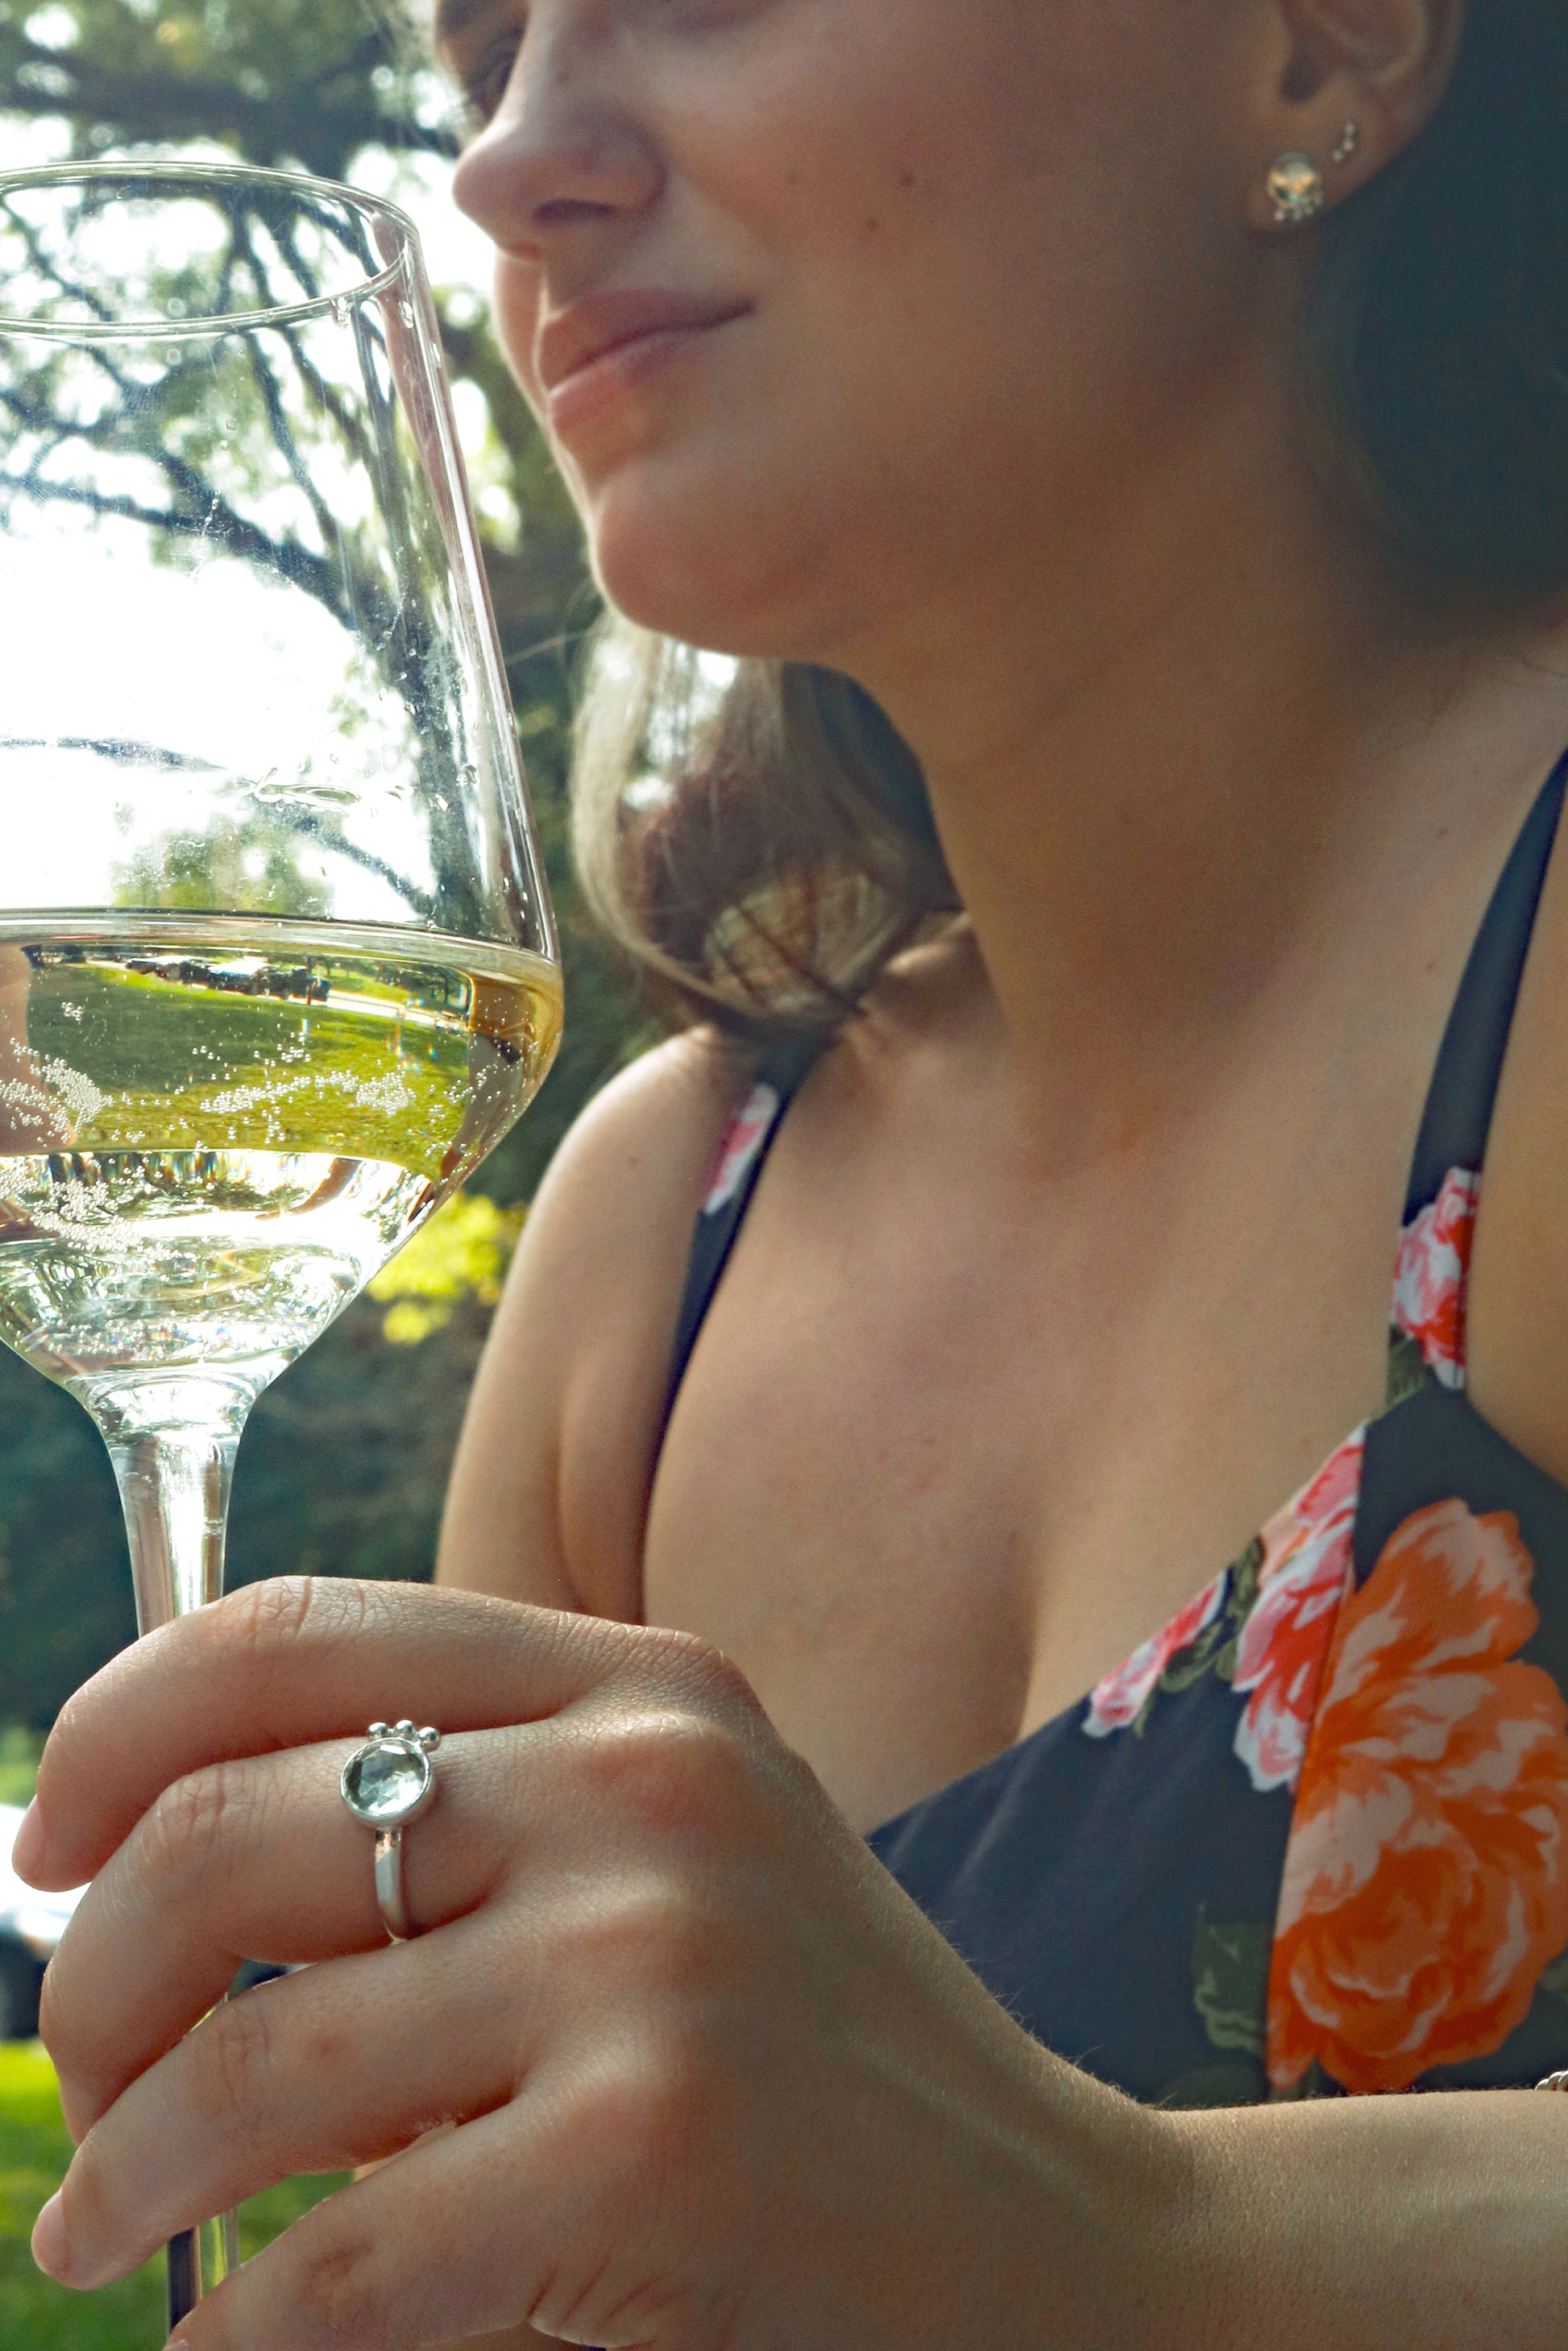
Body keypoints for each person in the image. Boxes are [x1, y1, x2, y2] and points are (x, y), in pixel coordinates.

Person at [19, 0, 1568, 2341]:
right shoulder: (657, 1228)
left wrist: (1124, 2244)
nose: (510, 155)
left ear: (1314, 45)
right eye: (476, 49)